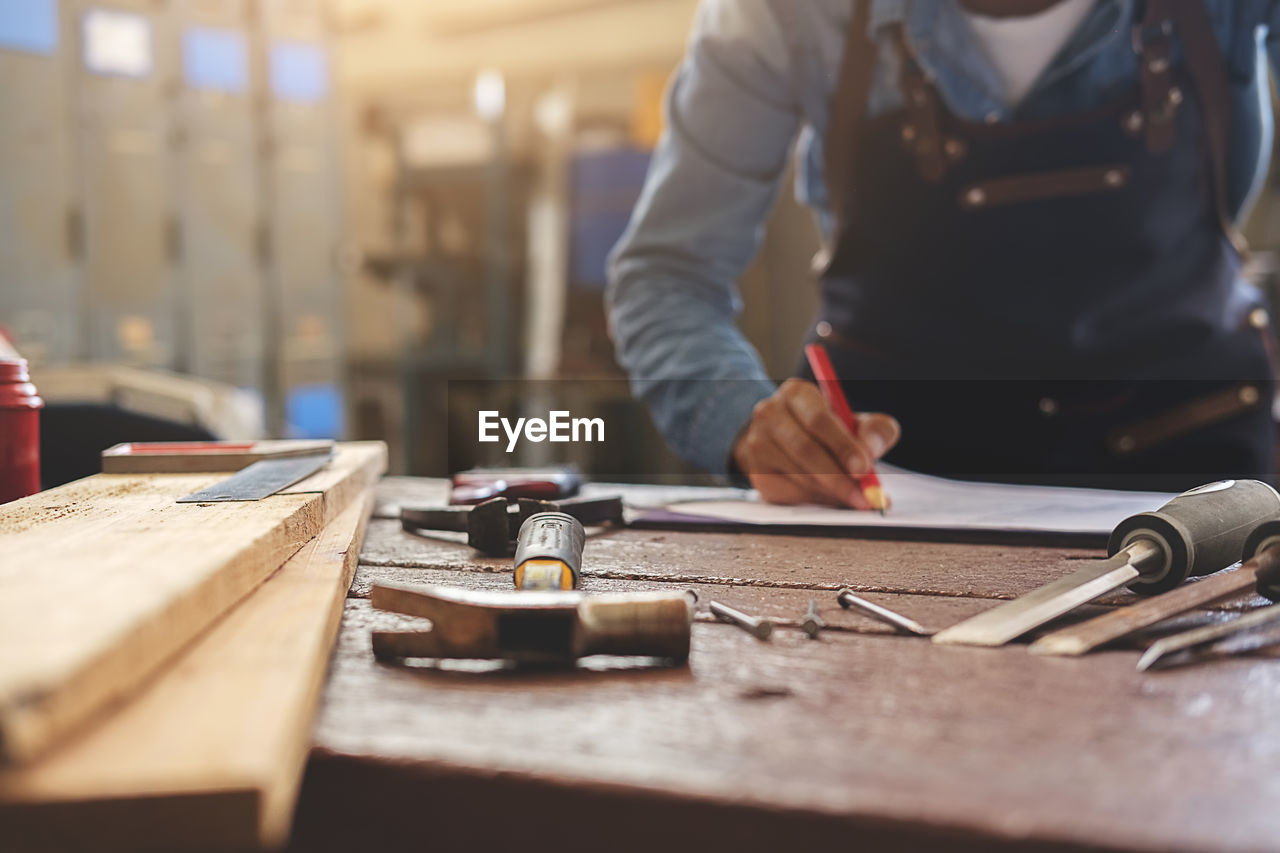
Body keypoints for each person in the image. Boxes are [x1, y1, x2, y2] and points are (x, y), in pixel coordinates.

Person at [607, 0, 1280, 504]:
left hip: (1199, 476)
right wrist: (740, 421)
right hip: (888, 495)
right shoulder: (784, 15)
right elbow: (666, 275)